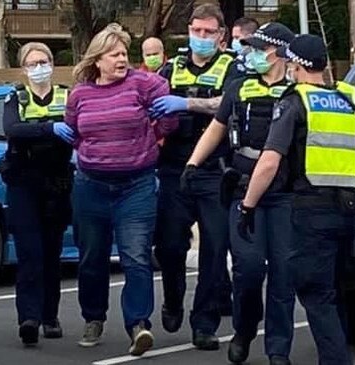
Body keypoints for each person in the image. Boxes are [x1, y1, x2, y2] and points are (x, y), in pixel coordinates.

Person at [237, 34, 355, 365]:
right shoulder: (349, 100)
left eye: (290, 62)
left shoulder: (296, 102)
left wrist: (247, 205)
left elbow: (269, 162)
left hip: (311, 212)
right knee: (335, 295)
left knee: (317, 296)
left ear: (298, 65)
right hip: (348, 212)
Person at [185, 22, 296, 365]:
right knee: (247, 269)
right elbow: (217, 129)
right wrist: (192, 164)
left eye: (259, 49)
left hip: (284, 194)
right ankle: (245, 328)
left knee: (283, 273)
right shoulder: (239, 87)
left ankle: (278, 349)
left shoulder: (295, 92)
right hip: (242, 189)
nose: (251, 54)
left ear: (277, 53)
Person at [66, 23, 178, 356]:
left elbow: (167, 112)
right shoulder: (80, 94)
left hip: (136, 185)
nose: (121, 60)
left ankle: (138, 324)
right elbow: (73, 133)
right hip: (91, 186)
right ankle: (93, 317)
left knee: (136, 256)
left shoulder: (141, 83)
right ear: (97, 60)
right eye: (113, 55)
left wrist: (157, 130)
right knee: (90, 258)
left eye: (124, 54)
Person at [149, 3, 240, 350]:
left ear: (220, 36)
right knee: (169, 246)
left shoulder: (233, 67)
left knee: (215, 251)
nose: (200, 38)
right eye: (195, 31)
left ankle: (205, 323)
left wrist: (186, 104)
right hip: (173, 166)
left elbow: (228, 103)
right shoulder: (171, 68)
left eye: (208, 32)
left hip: (214, 170)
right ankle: (173, 299)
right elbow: (149, 103)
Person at [0, 42, 75, 346]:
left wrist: (49, 129)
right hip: (24, 182)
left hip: (56, 182)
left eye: (43, 61)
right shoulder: (15, 97)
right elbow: (12, 129)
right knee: (30, 252)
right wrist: (50, 129)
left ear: (52, 64)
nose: (39, 67)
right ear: (24, 68)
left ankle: (50, 316)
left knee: (50, 252)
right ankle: (28, 318)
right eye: (33, 63)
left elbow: (77, 126)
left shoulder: (66, 95)